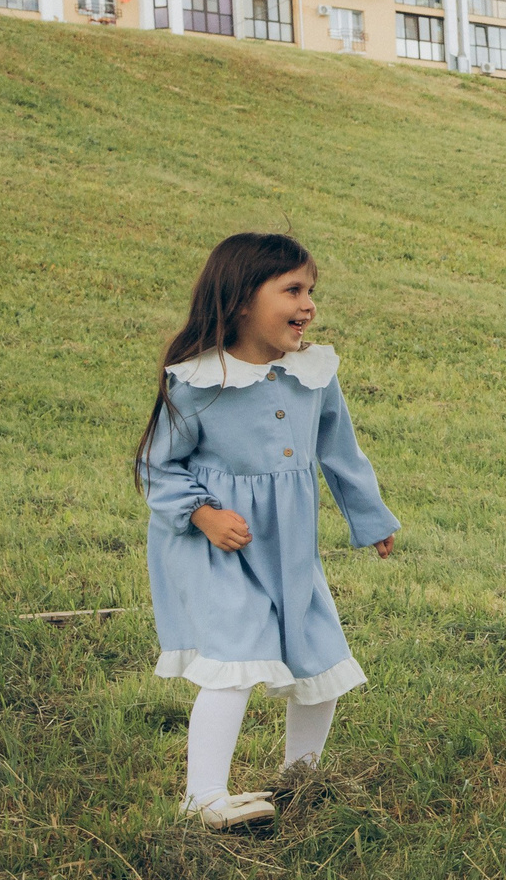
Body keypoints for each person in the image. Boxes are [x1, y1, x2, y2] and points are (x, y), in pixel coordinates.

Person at [137, 233, 399, 831]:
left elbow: (340, 452)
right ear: (240, 302)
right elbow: (155, 465)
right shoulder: (200, 382)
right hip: (217, 544)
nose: (308, 304)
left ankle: (300, 779)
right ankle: (204, 798)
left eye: (311, 290)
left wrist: (369, 517)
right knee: (237, 654)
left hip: (289, 545)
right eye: (292, 290)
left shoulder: (313, 373)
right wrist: (202, 513)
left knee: (318, 653)